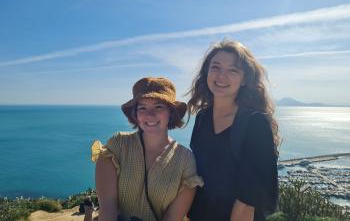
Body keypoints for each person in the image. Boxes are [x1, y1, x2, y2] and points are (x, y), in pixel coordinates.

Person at [187, 39, 279, 221]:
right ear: (207, 71)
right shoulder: (202, 118)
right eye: (216, 67)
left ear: (245, 79)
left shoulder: (255, 123)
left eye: (233, 70)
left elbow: (249, 198)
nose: (222, 76)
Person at [90, 77, 203, 221]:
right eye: (142, 108)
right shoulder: (118, 145)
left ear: (171, 112)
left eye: (158, 107)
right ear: (135, 114)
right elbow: (107, 209)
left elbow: (172, 218)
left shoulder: (185, 160)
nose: (150, 114)